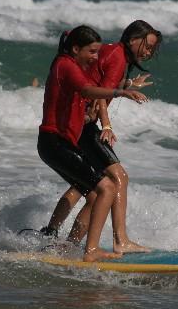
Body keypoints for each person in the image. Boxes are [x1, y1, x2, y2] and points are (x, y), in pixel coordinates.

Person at [40, 20, 162, 254]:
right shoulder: (117, 56)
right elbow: (96, 96)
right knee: (117, 179)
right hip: (83, 130)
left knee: (85, 188)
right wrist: (106, 123)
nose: (149, 52)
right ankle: (119, 240)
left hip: (74, 129)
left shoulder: (111, 52)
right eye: (147, 46)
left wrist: (126, 83)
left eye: (152, 49)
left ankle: (59, 237)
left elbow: (96, 82)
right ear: (133, 40)